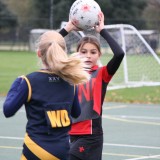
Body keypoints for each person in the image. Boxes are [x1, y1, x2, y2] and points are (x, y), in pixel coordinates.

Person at [3, 31, 90, 160]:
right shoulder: (71, 82)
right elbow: (76, 113)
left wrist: (16, 84)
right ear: (63, 53)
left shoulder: (29, 81)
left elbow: (8, 110)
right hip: (62, 150)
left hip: (35, 149)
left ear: (39, 53)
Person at [59, 12, 125, 160]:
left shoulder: (102, 74)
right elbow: (48, 49)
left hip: (91, 134)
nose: (88, 55)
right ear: (77, 53)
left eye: (93, 52)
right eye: (84, 52)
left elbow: (119, 54)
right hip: (71, 132)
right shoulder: (69, 73)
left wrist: (102, 31)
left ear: (99, 55)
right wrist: (67, 28)